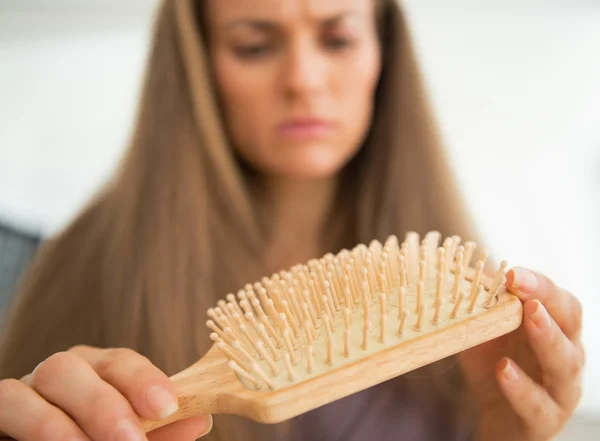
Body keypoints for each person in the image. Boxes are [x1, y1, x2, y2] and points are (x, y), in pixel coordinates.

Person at [0, 0, 585, 440]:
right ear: (199, 65)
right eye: (255, 46)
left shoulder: (449, 288)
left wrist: (499, 432)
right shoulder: (87, 260)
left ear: (382, 53)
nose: (303, 79)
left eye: (337, 39)